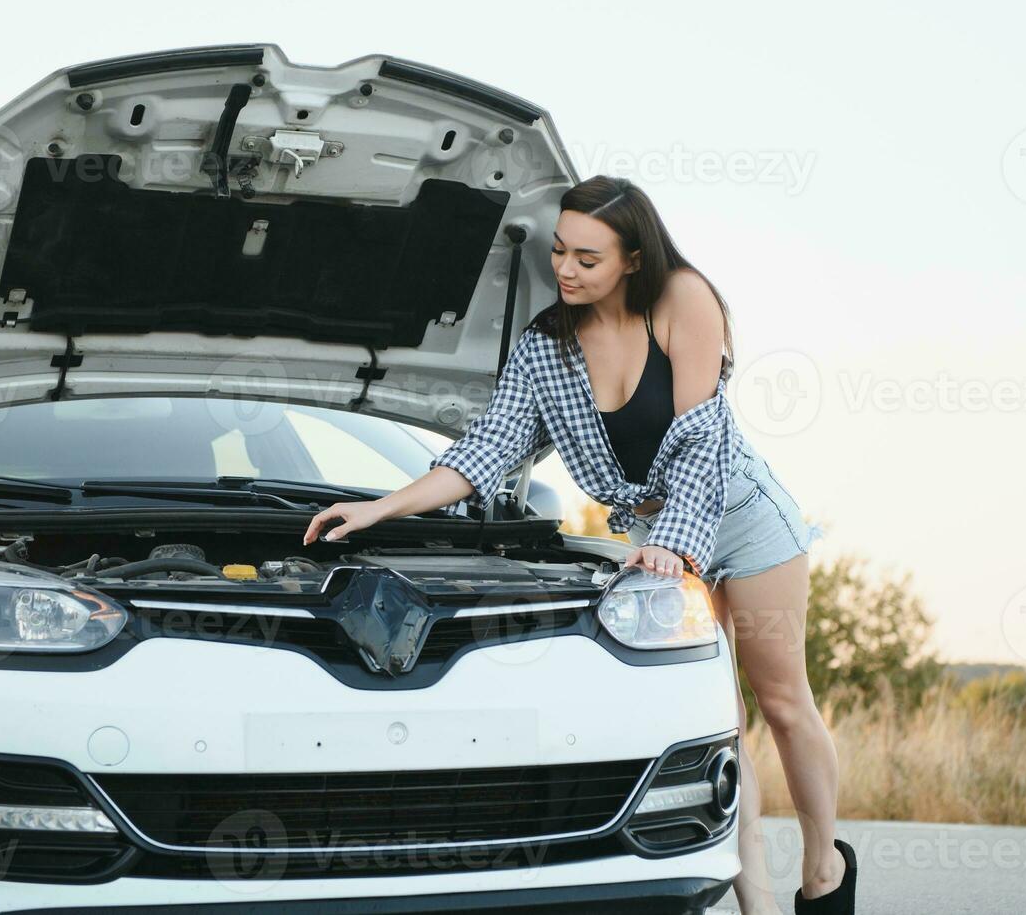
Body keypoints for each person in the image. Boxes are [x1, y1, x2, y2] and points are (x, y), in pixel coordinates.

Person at [302, 176, 855, 914]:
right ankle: (755, 903)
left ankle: (823, 874)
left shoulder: (684, 298)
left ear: (632, 258)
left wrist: (679, 551)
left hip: (739, 515)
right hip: (652, 536)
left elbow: (699, 439)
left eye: (587, 259)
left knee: (783, 700)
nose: (565, 270)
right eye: (559, 252)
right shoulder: (546, 347)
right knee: (721, 722)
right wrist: (381, 508)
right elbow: (484, 450)